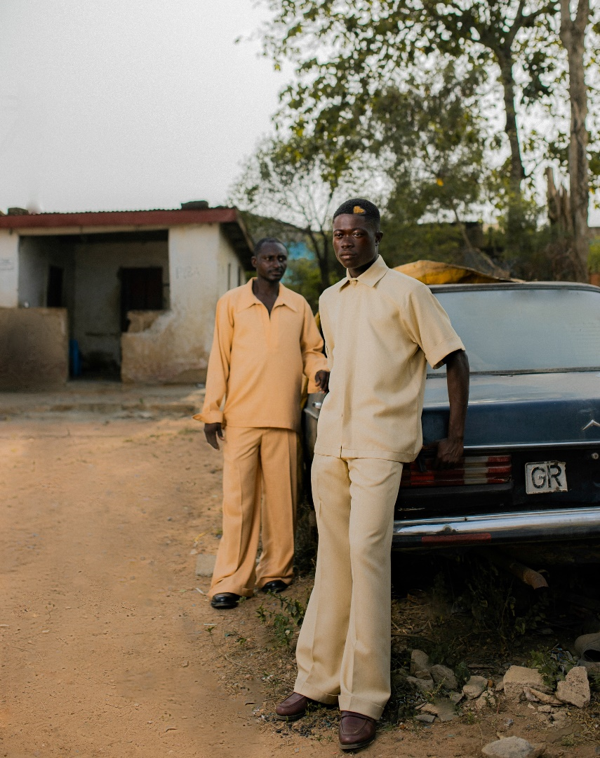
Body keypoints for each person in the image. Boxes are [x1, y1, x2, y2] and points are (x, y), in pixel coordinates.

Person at [276, 200, 469, 751]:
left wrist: (456, 435)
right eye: (339, 233)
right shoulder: (329, 299)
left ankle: (363, 698)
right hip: (332, 443)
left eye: (357, 233)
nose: (346, 241)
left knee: (366, 556)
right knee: (333, 559)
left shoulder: (408, 292)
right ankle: (317, 679)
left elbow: (454, 358)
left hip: (380, 447)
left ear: (377, 237)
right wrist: (328, 377)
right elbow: (346, 360)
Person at [194, 238, 329, 610]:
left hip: (284, 418)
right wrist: (212, 411)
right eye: (269, 258)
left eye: (281, 258)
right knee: (238, 504)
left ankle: (276, 572)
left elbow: (312, 350)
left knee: (282, 503)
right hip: (241, 419)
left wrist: (319, 371)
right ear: (254, 262)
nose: (276, 264)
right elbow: (219, 359)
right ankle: (230, 581)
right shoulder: (231, 303)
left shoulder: (298, 304)